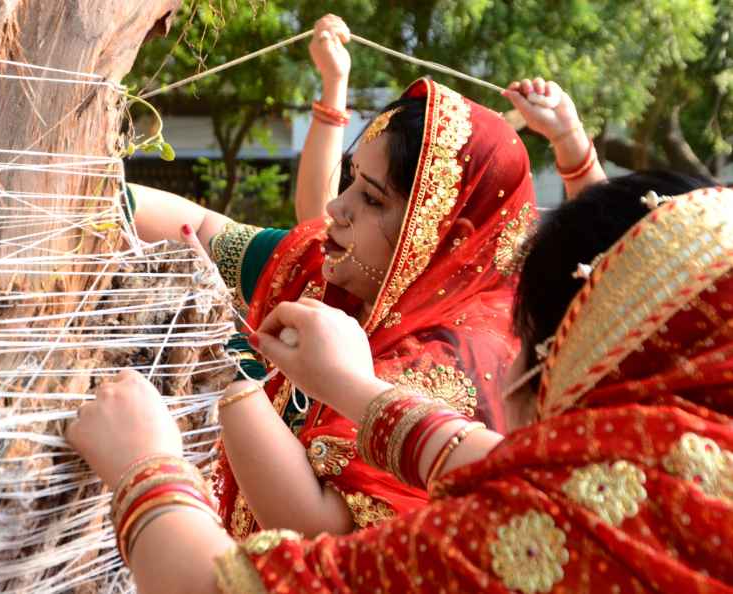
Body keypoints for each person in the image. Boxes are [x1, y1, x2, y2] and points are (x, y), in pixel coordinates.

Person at [67, 174, 732, 594]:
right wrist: (353, 386)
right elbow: (507, 460)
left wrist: (147, 463)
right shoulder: (678, 442)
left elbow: (251, 573)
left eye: (373, 196)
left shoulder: (552, 521)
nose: (336, 208)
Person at [128, 12, 569, 538]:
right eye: (353, 179)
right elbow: (197, 229)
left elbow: (318, 526)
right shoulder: (333, 272)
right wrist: (91, 196)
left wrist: (224, 366)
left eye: (371, 197)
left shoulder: (457, 369)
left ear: (444, 232)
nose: (335, 207)